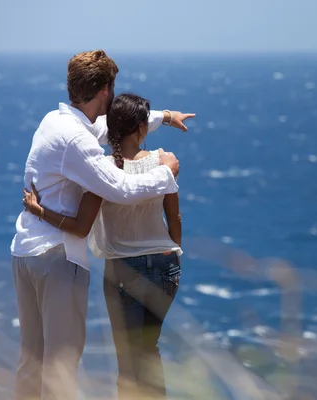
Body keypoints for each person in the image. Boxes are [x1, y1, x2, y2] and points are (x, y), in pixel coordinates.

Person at [11, 49, 194, 400]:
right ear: (106, 90)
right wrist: (165, 174)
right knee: (62, 363)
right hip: (58, 257)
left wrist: (166, 117)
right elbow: (120, 187)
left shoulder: (54, 121)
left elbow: (110, 125)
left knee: (31, 361)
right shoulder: (78, 141)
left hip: (26, 252)